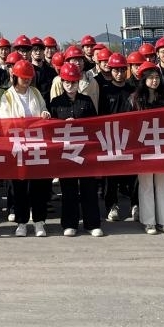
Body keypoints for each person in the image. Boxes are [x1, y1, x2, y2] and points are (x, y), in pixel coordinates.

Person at [0, 60, 52, 237]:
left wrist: (44, 114)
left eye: (29, 77)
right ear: (15, 77)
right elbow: (4, 122)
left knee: (38, 185)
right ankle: (21, 222)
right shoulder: (7, 96)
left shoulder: (35, 92)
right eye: (23, 78)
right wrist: (19, 123)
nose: (27, 80)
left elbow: (43, 109)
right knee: (20, 186)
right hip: (18, 145)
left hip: (36, 144)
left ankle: (39, 221)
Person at [48, 62, 102, 237]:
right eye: (67, 82)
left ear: (78, 82)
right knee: (68, 189)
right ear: (62, 82)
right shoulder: (56, 103)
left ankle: (92, 223)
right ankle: (69, 223)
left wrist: (79, 124)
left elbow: (94, 125)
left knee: (89, 188)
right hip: (66, 152)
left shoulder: (86, 101)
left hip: (85, 151)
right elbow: (50, 130)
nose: (70, 86)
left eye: (73, 82)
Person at [129, 62, 164, 234]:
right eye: (151, 78)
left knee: (163, 184)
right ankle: (149, 221)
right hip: (143, 147)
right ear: (143, 80)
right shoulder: (134, 99)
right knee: (146, 184)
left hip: (162, 145)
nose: (155, 81)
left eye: (157, 78)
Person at [98, 53, 137, 223]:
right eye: (116, 70)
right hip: (111, 138)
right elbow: (100, 116)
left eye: (122, 70)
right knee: (111, 175)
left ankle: (136, 205)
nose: (119, 74)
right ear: (111, 71)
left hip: (130, 137)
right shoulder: (105, 91)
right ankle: (111, 205)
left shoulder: (132, 90)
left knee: (134, 174)